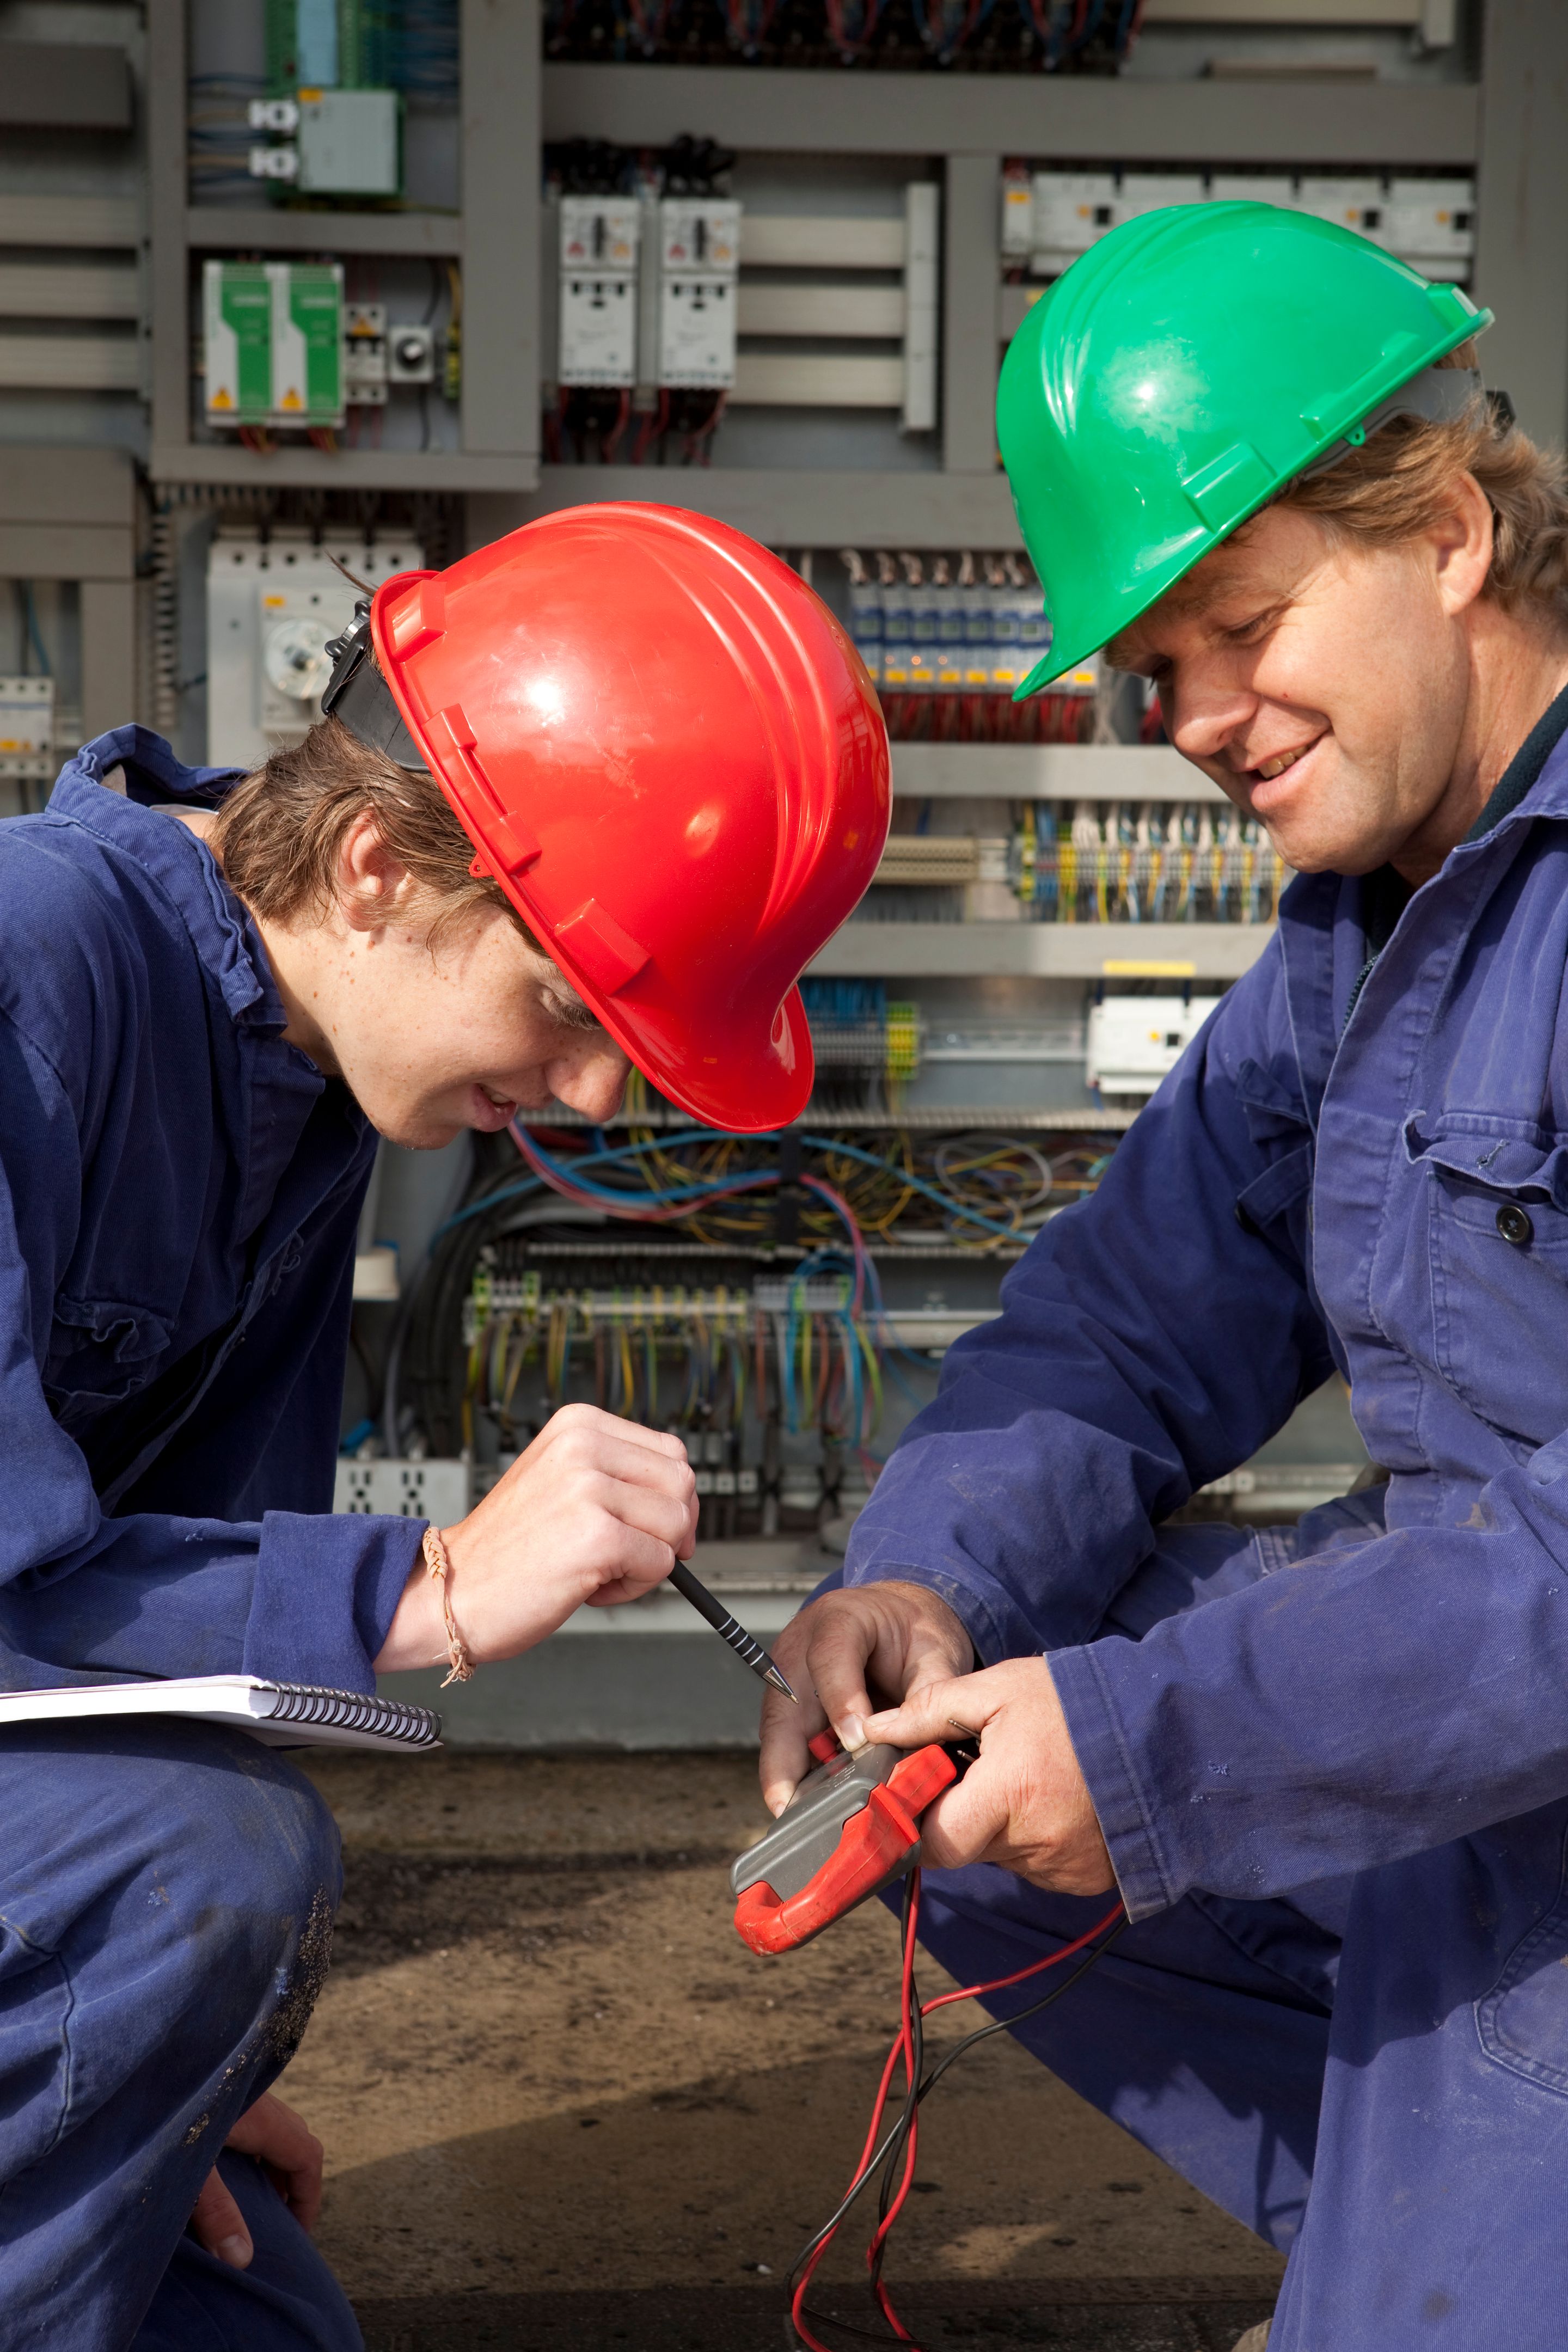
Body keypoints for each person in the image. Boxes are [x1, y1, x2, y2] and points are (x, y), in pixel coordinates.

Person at [759, 204, 1568, 2351]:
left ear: (1457, 535)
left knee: (1121, 1740)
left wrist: (1154, 1746)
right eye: (1150, 668)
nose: (1190, 719)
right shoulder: (1377, 922)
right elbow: (1128, 1319)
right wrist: (922, 1586)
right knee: (986, 1761)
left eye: (1235, 625)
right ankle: (1423, 2233)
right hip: (1503, 1722)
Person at [0, 503, 886, 2348]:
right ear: (375, 863)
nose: (574, 1091)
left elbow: (172, 1684)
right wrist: (440, 1587)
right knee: (216, 1860)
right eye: (567, 1007)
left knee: (271, 2326)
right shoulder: (35, 975)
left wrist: (165, 2041)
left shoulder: (309, 1081)